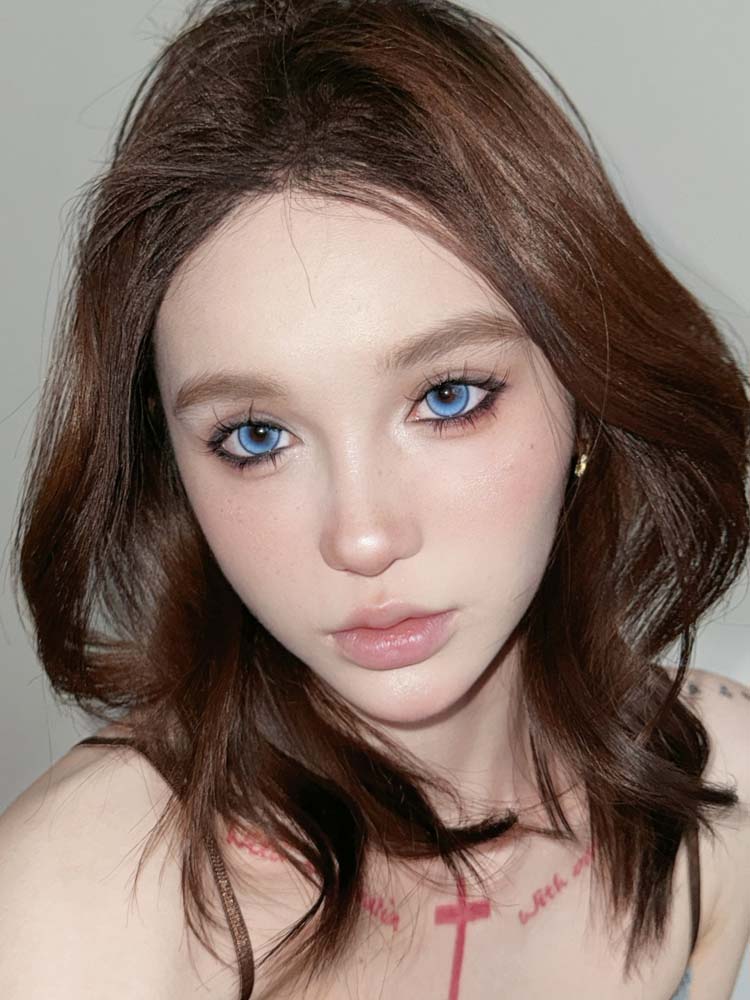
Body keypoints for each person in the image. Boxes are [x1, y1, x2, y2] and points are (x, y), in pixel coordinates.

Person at [1, 0, 749, 997]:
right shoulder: (70, 907)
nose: (361, 536)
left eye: (448, 398)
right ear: (171, 462)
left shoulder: (716, 783)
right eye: (257, 436)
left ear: (583, 390)